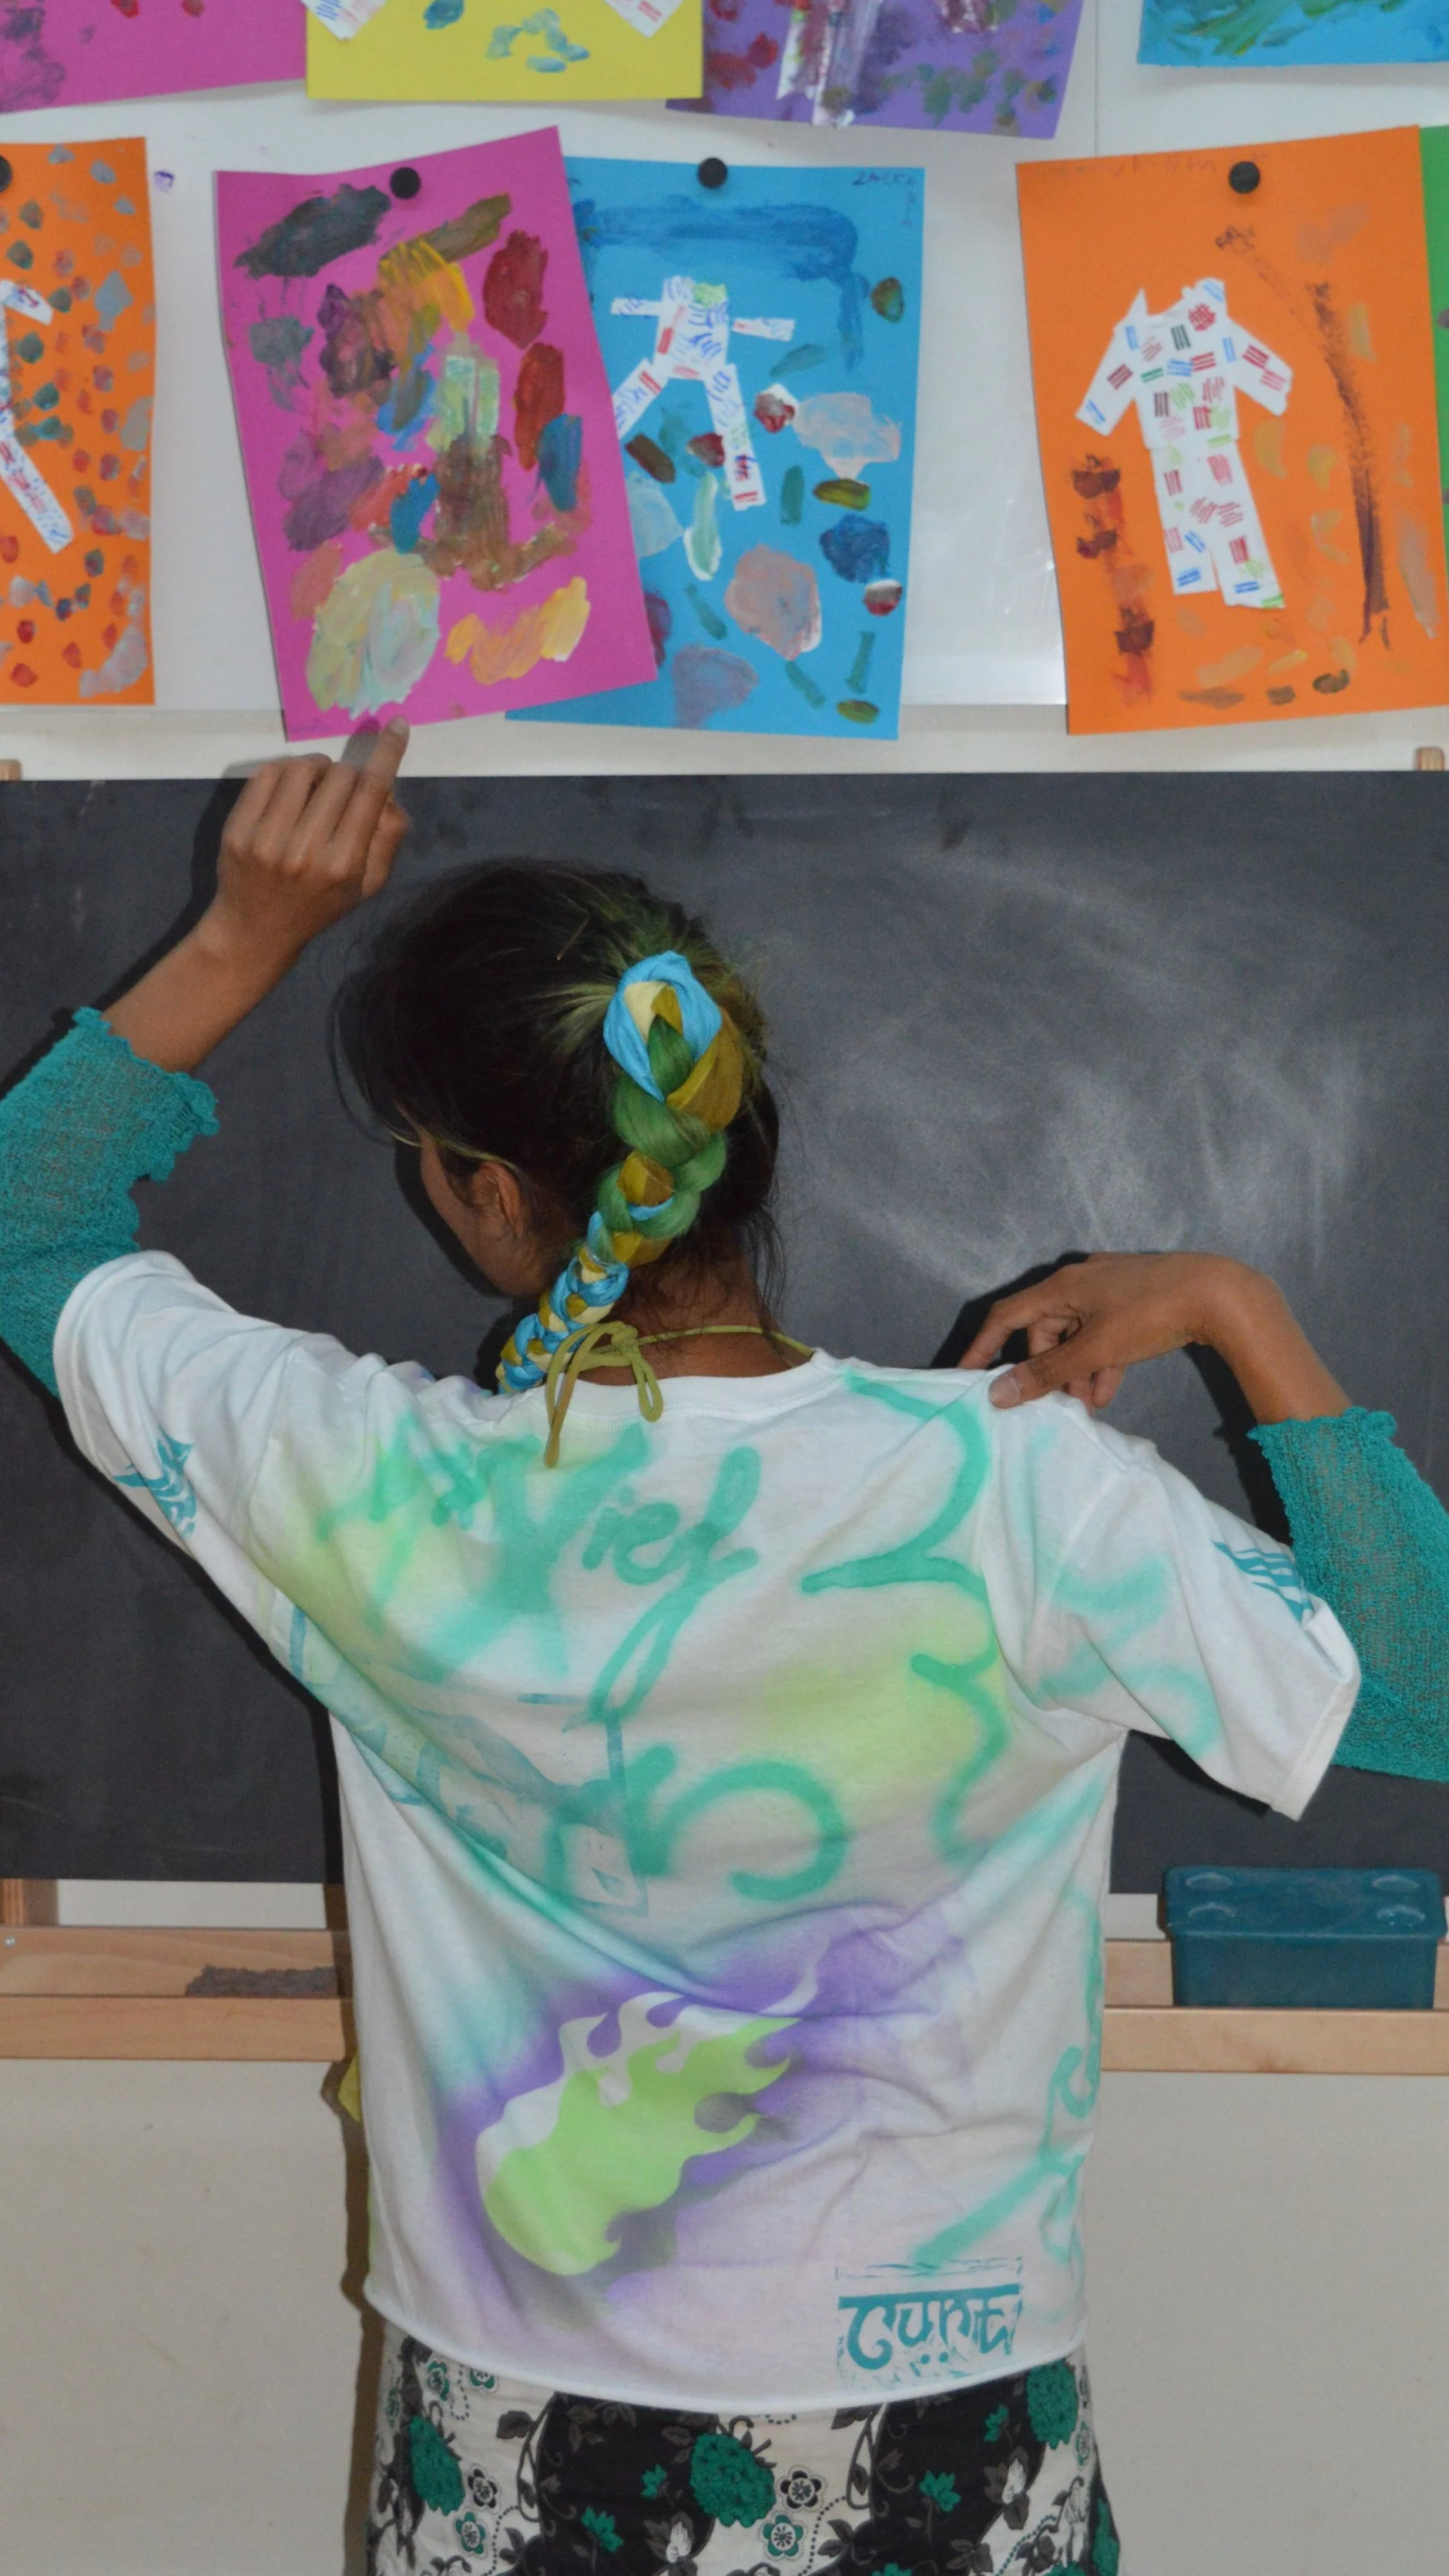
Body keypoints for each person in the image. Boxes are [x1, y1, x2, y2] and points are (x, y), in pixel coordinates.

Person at [2, 730, 1447, 2576]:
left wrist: (241, 934)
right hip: (948, 2416)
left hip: (511, 2433)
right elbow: (1415, 1692)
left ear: (486, 1197)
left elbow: (23, 1225)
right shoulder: (1015, 1489)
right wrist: (1235, 1306)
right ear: (737, 1126)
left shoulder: (370, 1488)